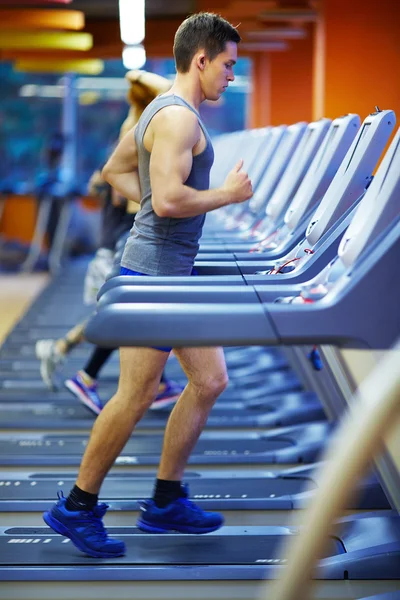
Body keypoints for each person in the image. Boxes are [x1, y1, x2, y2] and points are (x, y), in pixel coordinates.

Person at [43, 12, 252, 558]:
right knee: (135, 395)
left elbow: (113, 171)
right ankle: (79, 505)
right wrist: (225, 197)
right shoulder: (180, 119)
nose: (232, 75)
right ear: (200, 59)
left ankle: (165, 499)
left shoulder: (158, 112)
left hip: (164, 270)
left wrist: (157, 213)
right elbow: (167, 199)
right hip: (156, 275)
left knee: (209, 380)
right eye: (228, 65)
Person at [36, 70, 182, 414]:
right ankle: (81, 370)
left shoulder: (139, 126)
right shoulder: (141, 128)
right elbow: (125, 195)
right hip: (123, 235)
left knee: (131, 311)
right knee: (123, 311)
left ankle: (150, 383)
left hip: (123, 233)